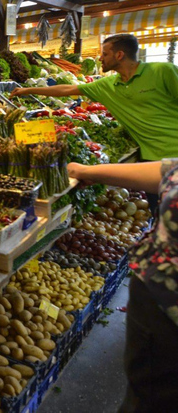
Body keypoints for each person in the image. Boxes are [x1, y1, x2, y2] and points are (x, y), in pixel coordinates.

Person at [67, 161, 178, 412]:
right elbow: (168, 172)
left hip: (170, 313)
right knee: (145, 394)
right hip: (155, 303)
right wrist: (86, 171)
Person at [11, 34, 178, 162]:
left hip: (174, 151)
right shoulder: (108, 84)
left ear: (119, 55)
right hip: (150, 158)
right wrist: (27, 90)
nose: (100, 58)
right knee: (162, 206)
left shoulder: (163, 71)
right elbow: (67, 89)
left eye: (105, 54)